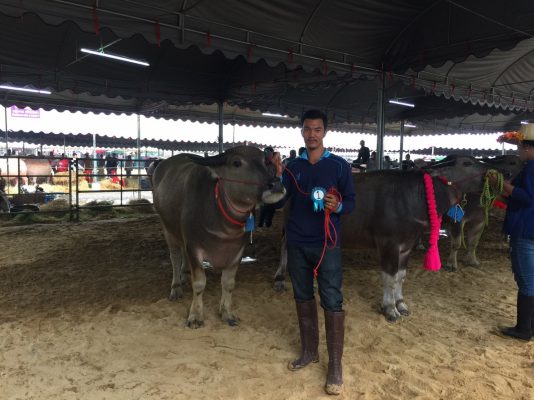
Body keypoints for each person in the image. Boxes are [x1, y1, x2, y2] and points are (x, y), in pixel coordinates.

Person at [275, 109, 355, 395]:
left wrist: (339, 206)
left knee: (332, 299)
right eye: (307, 129)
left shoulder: (339, 166)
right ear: (301, 132)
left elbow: (352, 202)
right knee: (302, 295)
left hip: (327, 243)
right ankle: (309, 351)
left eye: (317, 129)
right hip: (297, 241)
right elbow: (278, 202)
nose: (312, 134)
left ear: (325, 132)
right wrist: (276, 178)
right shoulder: (292, 167)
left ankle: (335, 365)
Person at [493, 124, 534, 341]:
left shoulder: (531, 167)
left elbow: (528, 197)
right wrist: (502, 191)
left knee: (526, 280)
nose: (518, 151)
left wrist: (501, 183)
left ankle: (523, 329)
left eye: (519, 147)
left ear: (527, 147)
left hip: (525, 230)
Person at [258, 147, 277, 228]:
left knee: (272, 207)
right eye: (269, 154)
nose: (270, 156)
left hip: (272, 188)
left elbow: (275, 176)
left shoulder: (273, 165)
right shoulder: (260, 164)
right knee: (264, 207)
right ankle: (261, 224)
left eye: (271, 154)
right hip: (263, 189)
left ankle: (268, 223)